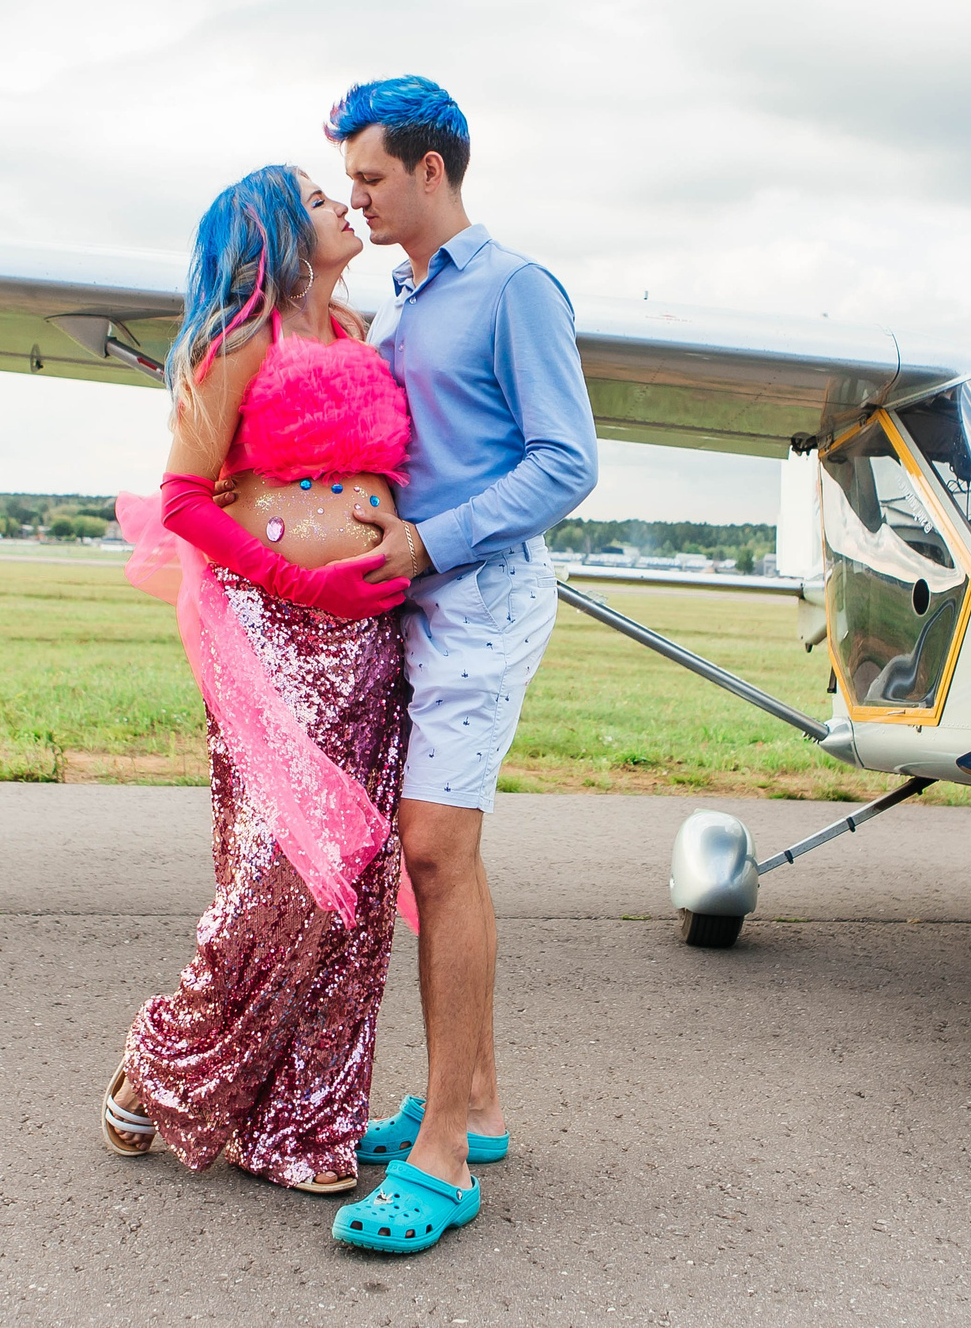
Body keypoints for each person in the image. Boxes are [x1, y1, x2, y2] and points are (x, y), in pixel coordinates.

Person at [318, 77, 600, 1255]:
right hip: (410, 601)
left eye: (372, 177)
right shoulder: (400, 296)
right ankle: (472, 1110)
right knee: (425, 858)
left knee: (438, 853)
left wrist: (431, 539)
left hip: (480, 597)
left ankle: (444, 1159)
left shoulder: (514, 287)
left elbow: (565, 463)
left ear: (432, 171)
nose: (358, 197)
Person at [101, 163, 416, 1195]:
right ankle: (164, 1060)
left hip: (367, 636)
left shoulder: (363, 333)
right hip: (275, 629)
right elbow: (186, 498)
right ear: (277, 232)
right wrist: (291, 577)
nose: (340, 205)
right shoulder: (238, 343)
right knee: (281, 874)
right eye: (319, 198)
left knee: (356, 890)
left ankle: (304, 1128)